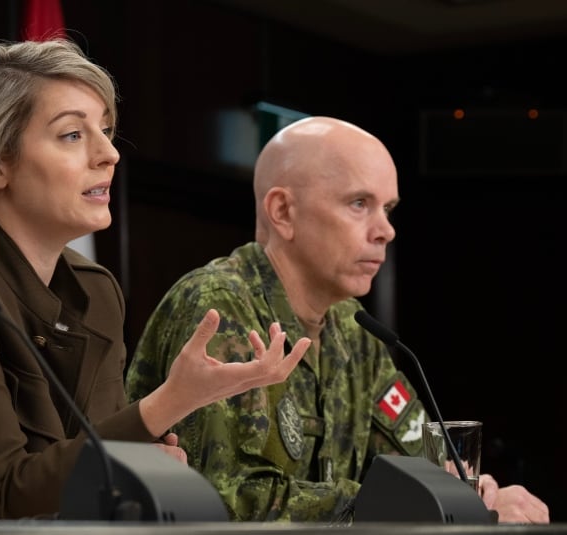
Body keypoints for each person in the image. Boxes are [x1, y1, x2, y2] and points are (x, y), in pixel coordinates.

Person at [0, 38, 310, 519]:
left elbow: (85, 466)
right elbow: (4, 495)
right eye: (73, 135)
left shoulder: (93, 288)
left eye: (105, 130)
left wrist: (143, 462)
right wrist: (171, 401)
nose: (109, 154)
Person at [125, 116, 550, 524]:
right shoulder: (220, 308)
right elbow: (223, 500)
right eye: (360, 204)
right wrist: (393, 504)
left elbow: (425, 461)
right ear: (283, 212)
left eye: (388, 208)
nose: (386, 230)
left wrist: (477, 495)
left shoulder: (354, 325)